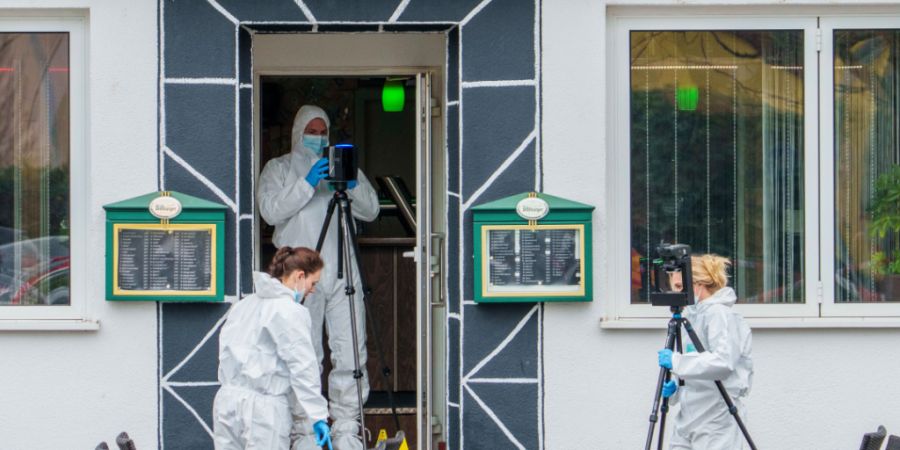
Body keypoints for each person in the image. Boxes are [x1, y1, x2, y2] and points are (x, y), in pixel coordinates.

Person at [257, 104, 380, 450]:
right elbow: (270, 210)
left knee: (351, 350)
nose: (317, 137)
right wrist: (307, 183)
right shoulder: (279, 168)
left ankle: (347, 429)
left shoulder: (342, 165)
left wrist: (350, 182)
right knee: (303, 352)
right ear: (298, 132)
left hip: (342, 270)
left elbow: (370, 210)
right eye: (311, 131)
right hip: (299, 274)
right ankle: (305, 431)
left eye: (322, 130)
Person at [213, 246, 333, 450]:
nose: (312, 290)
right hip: (263, 411)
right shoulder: (290, 311)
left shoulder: (244, 305)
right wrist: (318, 415)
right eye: (313, 283)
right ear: (300, 275)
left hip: (227, 402)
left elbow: (225, 350)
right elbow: (303, 366)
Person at [656, 254, 753, 450]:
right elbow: (696, 362)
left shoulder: (719, 315)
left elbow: (723, 363)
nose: (674, 293)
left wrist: (676, 362)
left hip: (716, 417)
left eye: (678, 287)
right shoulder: (692, 316)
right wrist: (675, 388)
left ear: (697, 284)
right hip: (689, 415)